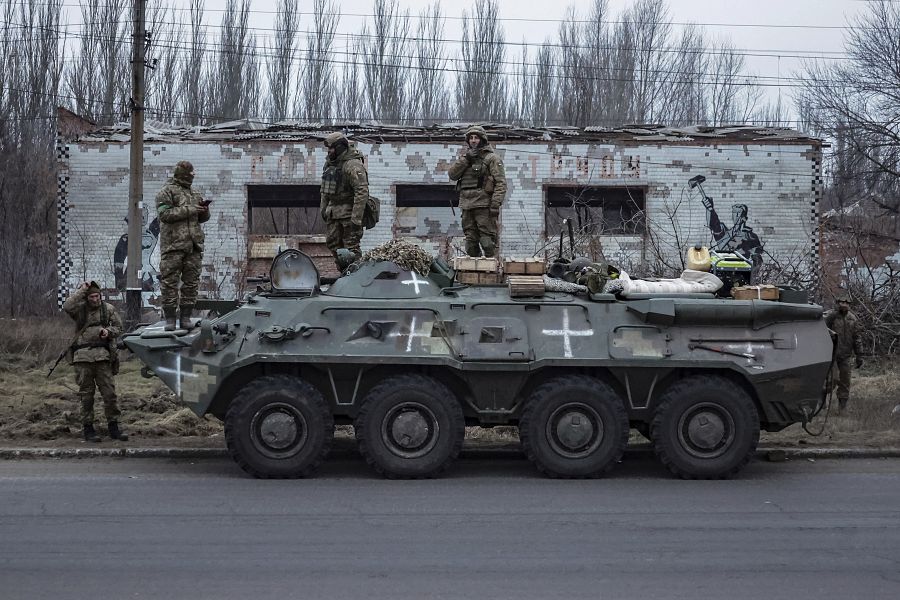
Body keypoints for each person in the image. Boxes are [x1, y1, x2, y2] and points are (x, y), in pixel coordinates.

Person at [63, 281, 127, 443]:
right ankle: (88, 428)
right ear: (87, 297)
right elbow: (67, 306)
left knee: (110, 394)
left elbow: (119, 328)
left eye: (97, 296)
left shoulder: (108, 310)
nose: (95, 299)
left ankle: (114, 427)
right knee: (86, 396)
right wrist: (82, 290)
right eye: (91, 296)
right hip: (83, 358)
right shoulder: (80, 310)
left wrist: (109, 331)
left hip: (103, 358)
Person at [155, 160, 210, 330]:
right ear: (182, 174)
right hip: (173, 246)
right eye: (189, 174)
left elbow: (202, 219)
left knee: (191, 283)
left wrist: (204, 210)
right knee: (169, 283)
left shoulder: (195, 193)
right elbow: (164, 214)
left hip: (193, 246)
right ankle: (170, 319)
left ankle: (185, 317)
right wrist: (191, 209)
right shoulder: (166, 191)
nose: (192, 177)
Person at [448, 125, 507, 258]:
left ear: (482, 139)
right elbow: (452, 175)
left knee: (487, 241)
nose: (473, 141)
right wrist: (466, 159)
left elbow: (501, 183)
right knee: (470, 242)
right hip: (466, 204)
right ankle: (476, 271)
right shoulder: (465, 159)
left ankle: (492, 270)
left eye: (476, 138)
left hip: (484, 204)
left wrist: (495, 204)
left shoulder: (492, 158)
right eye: (471, 138)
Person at [320, 132, 369, 270]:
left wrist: (356, 218)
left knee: (351, 247)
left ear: (340, 147)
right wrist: (323, 209)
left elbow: (361, 191)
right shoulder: (329, 164)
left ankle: (356, 276)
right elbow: (324, 190)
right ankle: (343, 273)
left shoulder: (352, 165)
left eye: (331, 148)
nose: (329, 151)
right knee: (333, 244)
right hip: (333, 213)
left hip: (349, 214)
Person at [825, 292, 865, 413]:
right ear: (837, 303)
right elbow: (823, 334)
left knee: (845, 381)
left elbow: (857, 338)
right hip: (831, 354)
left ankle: (842, 408)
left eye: (846, 303)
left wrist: (859, 355)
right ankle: (821, 401)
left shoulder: (852, 319)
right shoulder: (831, 317)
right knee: (832, 380)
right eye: (842, 302)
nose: (844, 305)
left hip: (846, 355)